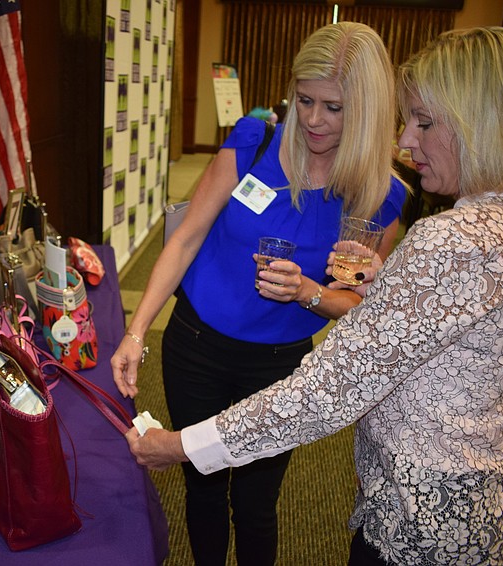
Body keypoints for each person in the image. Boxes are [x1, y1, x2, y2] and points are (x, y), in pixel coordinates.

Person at [125, 27, 503, 565]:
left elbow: (332, 388)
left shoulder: (450, 237)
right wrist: (387, 284)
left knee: (255, 504)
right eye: (306, 101)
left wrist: (180, 447)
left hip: (420, 513)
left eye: (425, 123)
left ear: (486, 125)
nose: (406, 142)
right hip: (485, 503)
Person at [111, 22, 406, 565]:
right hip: (194, 344)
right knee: (201, 484)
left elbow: (362, 303)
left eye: (335, 108)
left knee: (256, 502)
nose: (314, 120)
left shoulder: (380, 194)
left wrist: (308, 292)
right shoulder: (254, 142)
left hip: (277, 367)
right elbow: (184, 239)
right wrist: (134, 332)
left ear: (365, 109)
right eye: (305, 99)